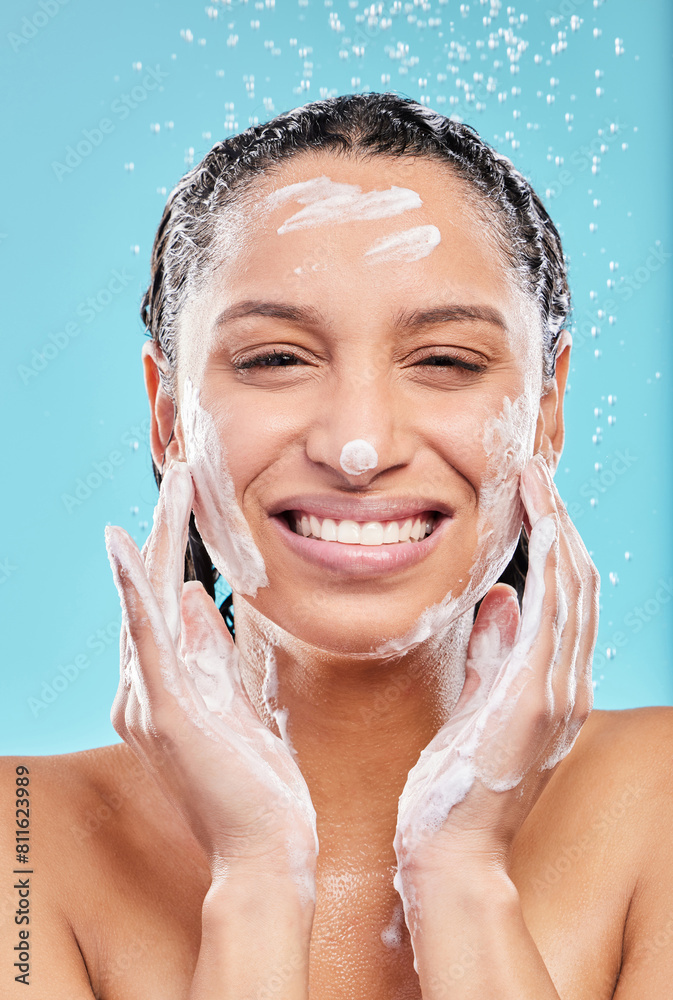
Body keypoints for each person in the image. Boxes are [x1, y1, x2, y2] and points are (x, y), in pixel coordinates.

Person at [2, 94, 672, 1000]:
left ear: (546, 410)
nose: (357, 445)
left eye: (445, 361)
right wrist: (255, 880)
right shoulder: (21, 845)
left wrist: (463, 874)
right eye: (276, 358)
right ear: (168, 415)